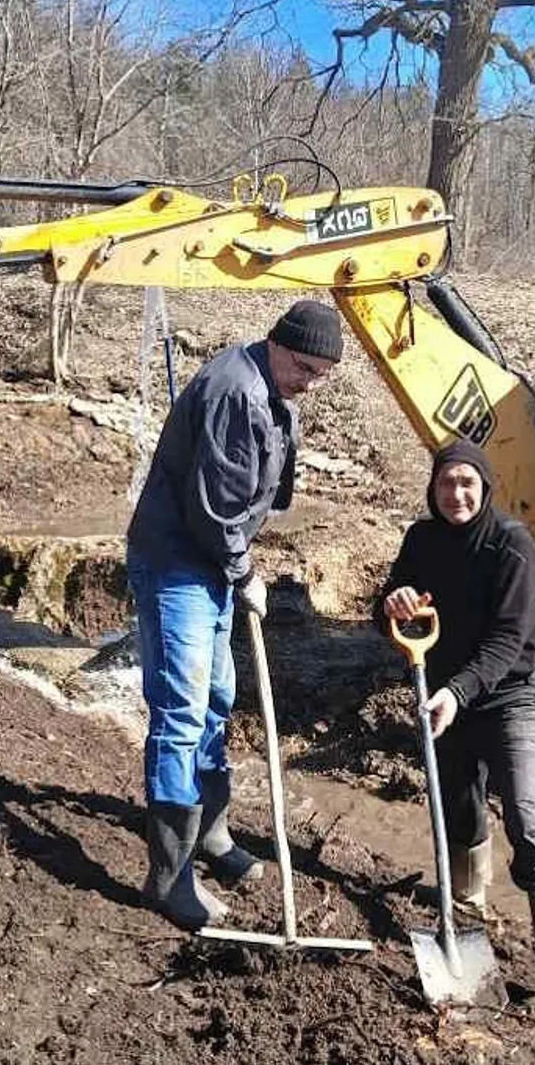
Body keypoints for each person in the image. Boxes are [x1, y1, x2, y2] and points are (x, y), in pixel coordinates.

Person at [126, 298, 343, 930]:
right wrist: (243, 570)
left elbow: (254, 499)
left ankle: (212, 835)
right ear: (277, 343)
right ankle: (168, 879)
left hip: (211, 562)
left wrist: (237, 563)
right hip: (177, 563)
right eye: (304, 368)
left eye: (320, 376)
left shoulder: (272, 390)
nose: (309, 384)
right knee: (182, 714)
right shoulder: (235, 393)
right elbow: (215, 510)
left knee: (218, 698)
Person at [378, 440, 535, 1020]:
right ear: (434, 488)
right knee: (457, 803)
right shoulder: (422, 540)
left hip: (508, 696)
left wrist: (457, 691)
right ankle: (466, 903)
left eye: (468, 483)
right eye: (447, 483)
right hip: (446, 691)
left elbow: (506, 642)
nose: (457, 495)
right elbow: (392, 611)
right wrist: (391, 602)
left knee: (527, 816)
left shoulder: (513, 545)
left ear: (486, 486)